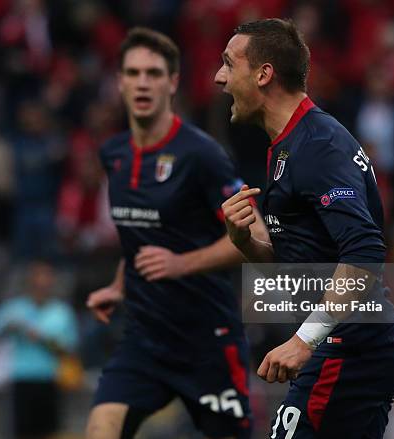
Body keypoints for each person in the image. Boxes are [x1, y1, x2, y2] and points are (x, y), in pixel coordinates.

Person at [216, 18, 394, 438]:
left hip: (351, 345)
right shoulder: (288, 144)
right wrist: (245, 240)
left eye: (229, 64)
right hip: (354, 342)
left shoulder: (317, 146)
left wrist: (304, 341)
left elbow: (364, 254)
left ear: (264, 74)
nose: (219, 77)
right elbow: (299, 270)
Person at [85, 27, 267, 439]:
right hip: (144, 340)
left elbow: (253, 234)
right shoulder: (113, 154)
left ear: (173, 81)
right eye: (133, 73)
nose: (143, 82)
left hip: (207, 340)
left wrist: (181, 263)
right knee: (100, 427)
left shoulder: (201, 154)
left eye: (154, 73)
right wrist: (119, 285)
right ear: (120, 81)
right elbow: (140, 237)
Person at [0, 260, 79, 439]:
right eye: (37, 278)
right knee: (21, 432)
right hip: (20, 378)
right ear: (30, 281)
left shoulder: (62, 312)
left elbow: (68, 350)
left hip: (49, 379)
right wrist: (8, 328)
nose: (41, 283)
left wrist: (42, 339)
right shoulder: (13, 308)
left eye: (46, 278)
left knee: (49, 433)